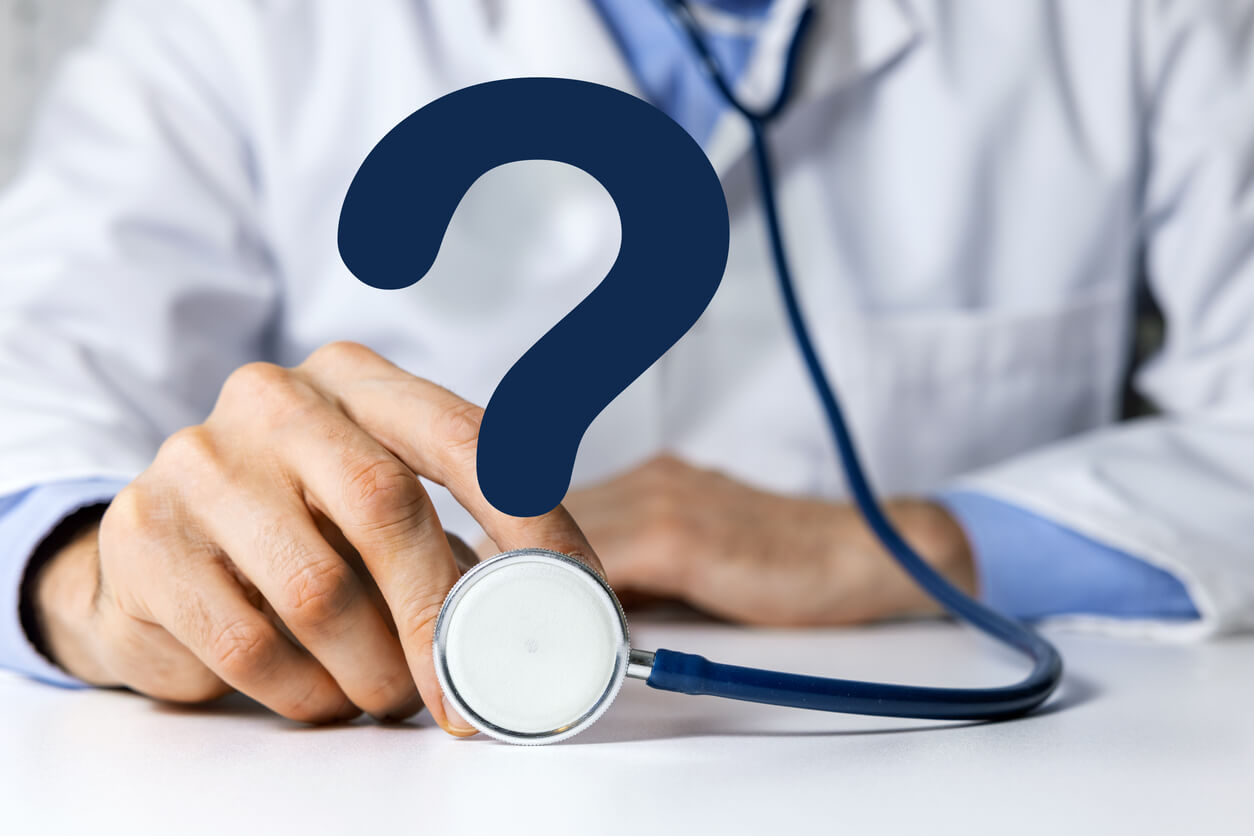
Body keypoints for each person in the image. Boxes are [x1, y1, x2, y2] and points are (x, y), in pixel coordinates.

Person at [1, 0, 1252, 734]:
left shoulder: (1139, 23)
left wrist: (910, 543)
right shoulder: (228, 28)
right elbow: (31, 388)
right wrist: (85, 578)